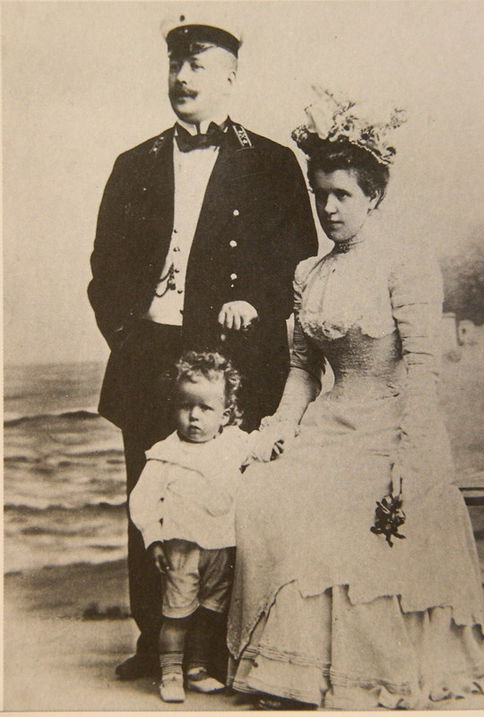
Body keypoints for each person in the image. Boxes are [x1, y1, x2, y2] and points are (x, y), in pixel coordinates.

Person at [227, 89, 484, 709]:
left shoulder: (405, 263)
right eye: (320, 194)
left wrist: (412, 453)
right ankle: (293, 667)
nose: (328, 208)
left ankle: (364, 673)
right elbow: (301, 372)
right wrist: (274, 433)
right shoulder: (308, 274)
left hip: (393, 423)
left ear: (373, 195)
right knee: (268, 490)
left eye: (342, 194)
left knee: (351, 501)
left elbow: (424, 369)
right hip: (330, 421)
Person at [87, 12, 317, 680]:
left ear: (230, 77)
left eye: (198, 66)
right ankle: (153, 635)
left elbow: (299, 264)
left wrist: (260, 303)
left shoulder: (271, 162)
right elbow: (104, 270)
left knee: (224, 500)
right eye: (175, 65)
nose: (182, 78)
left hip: (235, 359)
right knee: (150, 493)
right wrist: (129, 339)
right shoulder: (134, 164)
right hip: (149, 354)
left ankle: (219, 642)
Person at [129, 351, 259, 703]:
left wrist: (279, 444)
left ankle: (196, 668)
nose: (194, 416)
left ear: (226, 415)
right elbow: (143, 501)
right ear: (174, 406)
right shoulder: (165, 453)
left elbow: (263, 449)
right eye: (186, 406)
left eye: (206, 408)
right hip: (181, 549)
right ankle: (170, 672)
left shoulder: (234, 443)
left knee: (209, 611)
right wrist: (153, 539)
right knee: (176, 614)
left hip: (222, 546)